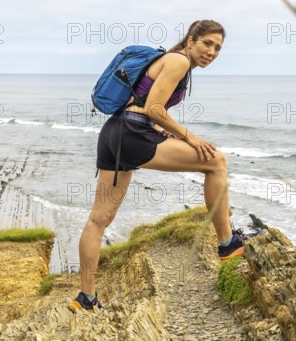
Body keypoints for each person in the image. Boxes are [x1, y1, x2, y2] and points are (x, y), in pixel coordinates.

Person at [68, 20, 264, 313]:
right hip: (132, 134)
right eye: (207, 43)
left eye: (218, 48)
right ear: (191, 39)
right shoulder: (178, 61)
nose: (212, 51)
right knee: (216, 161)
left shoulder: (169, 60)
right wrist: (188, 135)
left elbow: (144, 106)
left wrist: (161, 131)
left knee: (99, 219)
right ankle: (227, 243)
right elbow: (154, 109)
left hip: (114, 134)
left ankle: (86, 298)